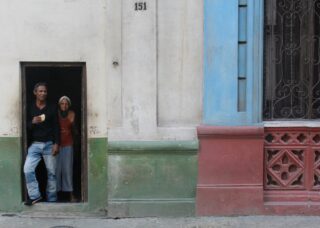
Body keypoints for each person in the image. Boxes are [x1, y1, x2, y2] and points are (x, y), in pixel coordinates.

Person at [24, 82, 60, 206]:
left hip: (49, 144)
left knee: (52, 173)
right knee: (28, 169)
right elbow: (26, 126)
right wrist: (32, 122)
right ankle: (35, 196)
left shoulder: (51, 107)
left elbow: (56, 126)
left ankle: (52, 199)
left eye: (45, 91)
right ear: (35, 93)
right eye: (40, 91)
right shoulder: (30, 107)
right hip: (35, 144)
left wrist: (56, 143)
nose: (43, 93)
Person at [56, 96, 77, 202]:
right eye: (62, 104)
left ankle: (70, 195)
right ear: (59, 105)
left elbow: (75, 130)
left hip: (68, 144)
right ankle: (55, 194)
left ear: (69, 105)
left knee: (67, 169)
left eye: (66, 104)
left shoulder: (72, 114)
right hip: (56, 145)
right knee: (56, 169)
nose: (64, 105)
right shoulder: (55, 114)